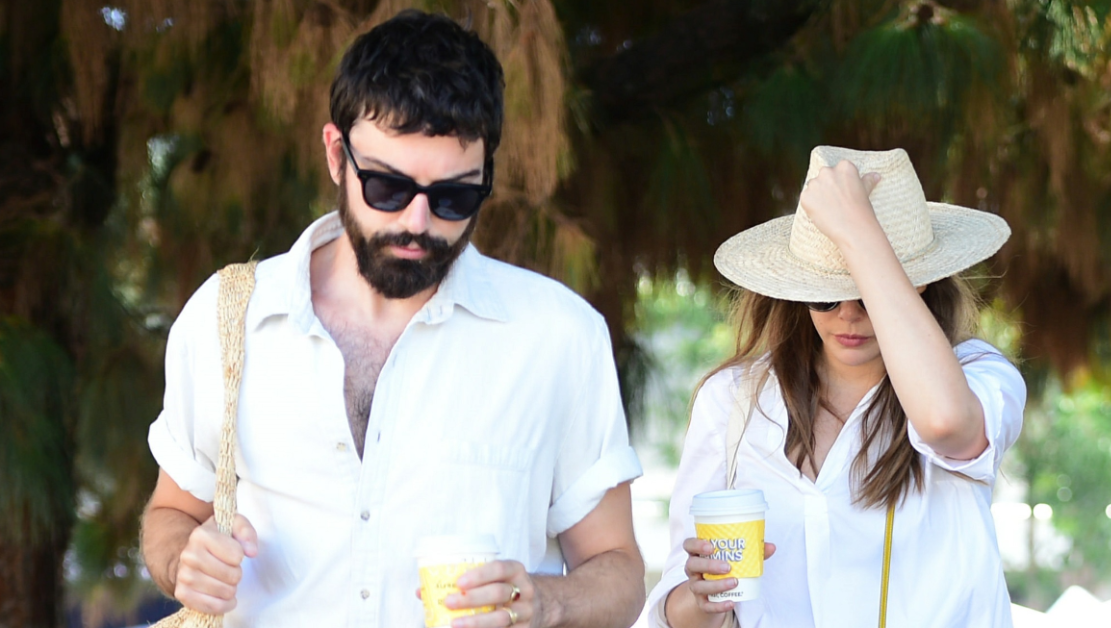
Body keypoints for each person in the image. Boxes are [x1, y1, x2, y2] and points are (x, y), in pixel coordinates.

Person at [140, 10, 644, 628]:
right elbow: (171, 513)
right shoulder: (227, 317)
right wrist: (183, 560)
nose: (418, 222)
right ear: (336, 156)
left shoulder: (561, 336)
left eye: (455, 196)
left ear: (487, 173)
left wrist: (546, 602)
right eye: (386, 188)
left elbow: (618, 567)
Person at [641, 146, 1026, 627]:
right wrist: (701, 599)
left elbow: (947, 424)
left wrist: (857, 234)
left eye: (867, 292)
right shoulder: (734, 398)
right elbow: (675, 606)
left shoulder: (978, 374)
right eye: (825, 293)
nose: (848, 314)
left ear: (919, 284)